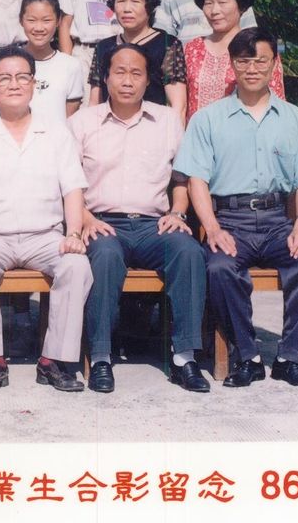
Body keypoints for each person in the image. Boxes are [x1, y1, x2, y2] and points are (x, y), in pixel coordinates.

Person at [175, 27, 298, 388]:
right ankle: (248, 356)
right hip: (230, 220)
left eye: (261, 60)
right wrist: (213, 227)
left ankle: (288, 358)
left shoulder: (295, 119)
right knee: (218, 267)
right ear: (232, 64)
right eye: (244, 61)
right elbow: (196, 180)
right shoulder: (207, 119)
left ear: (274, 64)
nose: (252, 68)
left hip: (278, 221)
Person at [69, 44, 209, 394]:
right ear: (105, 77)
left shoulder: (167, 121)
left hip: (153, 226)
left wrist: (178, 211)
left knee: (188, 251)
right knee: (104, 256)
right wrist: (85, 218)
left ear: (148, 81)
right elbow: (67, 183)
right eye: (120, 72)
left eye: (136, 74)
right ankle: (101, 357)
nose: (127, 81)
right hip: (102, 223)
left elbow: (181, 178)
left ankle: (185, 357)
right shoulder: (82, 122)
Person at [0, 46, 92, 394]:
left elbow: (72, 189)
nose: (14, 84)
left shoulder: (57, 131)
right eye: (4, 78)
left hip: (45, 236)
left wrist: (74, 233)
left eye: (22, 77)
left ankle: (54, 361)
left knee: (77, 266)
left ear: (34, 83)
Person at [185, 0, 284, 119]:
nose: (214, 10)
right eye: (208, 2)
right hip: (197, 134)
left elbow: (276, 103)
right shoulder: (192, 49)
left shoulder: (260, 48)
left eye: (222, 2)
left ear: (241, 5)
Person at [88, 0, 187, 120]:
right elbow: (94, 102)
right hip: (110, 129)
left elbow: (178, 105)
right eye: (121, 1)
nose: (127, 8)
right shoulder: (103, 47)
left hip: (152, 126)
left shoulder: (167, 44)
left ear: (150, 5)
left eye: (135, 1)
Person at [18, 0, 85, 126]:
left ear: (58, 21)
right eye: (31, 20)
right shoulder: (9, 63)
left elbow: (70, 116)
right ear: (21, 20)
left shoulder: (70, 65)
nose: (39, 28)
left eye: (46, 20)